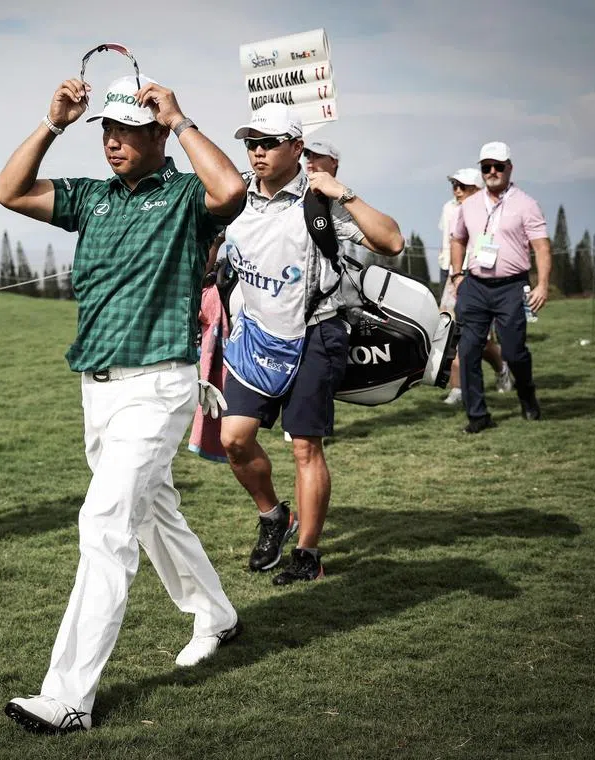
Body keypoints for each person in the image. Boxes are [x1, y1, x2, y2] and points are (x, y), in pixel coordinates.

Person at [0, 72, 246, 734]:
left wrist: (182, 118)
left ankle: (69, 696)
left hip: (159, 385)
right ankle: (215, 612)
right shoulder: (91, 200)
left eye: (128, 129)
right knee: (153, 512)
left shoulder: (188, 195)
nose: (112, 141)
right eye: (106, 129)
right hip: (97, 391)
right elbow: (8, 190)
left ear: (158, 133)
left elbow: (232, 189)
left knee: (103, 525)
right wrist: (51, 123)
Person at [218, 104, 404, 587]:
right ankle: (272, 516)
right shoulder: (234, 193)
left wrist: (343, 191)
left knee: (305, 446)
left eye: (269, 142)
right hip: (255, 333)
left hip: (317, 333)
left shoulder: (321, 199)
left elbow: (392, 241)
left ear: (297, 148)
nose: (257, 151)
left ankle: (307, 553)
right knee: (234, 439)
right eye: (251, 142)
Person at [450, 141, 551, 434]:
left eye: (498, 166)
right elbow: (457, 239)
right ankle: (478, 416)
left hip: (512, 287)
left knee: (514, 350)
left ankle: (527, 393)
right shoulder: (468, 205)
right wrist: (457, 276)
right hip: (475, 285)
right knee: (468, 349)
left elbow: (541, 247)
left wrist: (542, 285)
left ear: (510, 168)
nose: (492, 172)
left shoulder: (526, 204)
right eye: (486, 167)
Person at [439, 169, 511, 405]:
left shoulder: (491, 213)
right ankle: (458, 388)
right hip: (454, 276)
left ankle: (501, 368)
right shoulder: (449, 208)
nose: (457, 190)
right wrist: (453, 274)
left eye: (464, 186)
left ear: (478, 189)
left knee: (480, 341)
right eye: (454, 185)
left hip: (480, 280)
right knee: (449, 334)